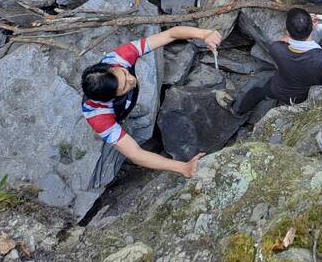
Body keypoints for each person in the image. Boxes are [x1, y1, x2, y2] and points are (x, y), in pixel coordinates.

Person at [81, 26, 222, 177]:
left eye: (124, 73)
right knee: (121, 120)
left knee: (127, 101)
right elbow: (135, 153)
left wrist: (205, 34)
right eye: (124, 87)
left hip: (119, 99)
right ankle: (124, 116)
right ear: (111, 97)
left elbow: (170, 34)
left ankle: (129, 107)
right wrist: (183, 167)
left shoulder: (118, 59)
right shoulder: (99, 117)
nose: (132, 79)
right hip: (115, 110)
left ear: (112, 68)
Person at [221, 7, 322, 115]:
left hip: (278, 88)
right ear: (312, 28)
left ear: (288, 32)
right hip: (304, 95)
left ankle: (237, 111)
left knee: (256, 93)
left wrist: (291, 34)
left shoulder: (277, 49)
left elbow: (283, 41)